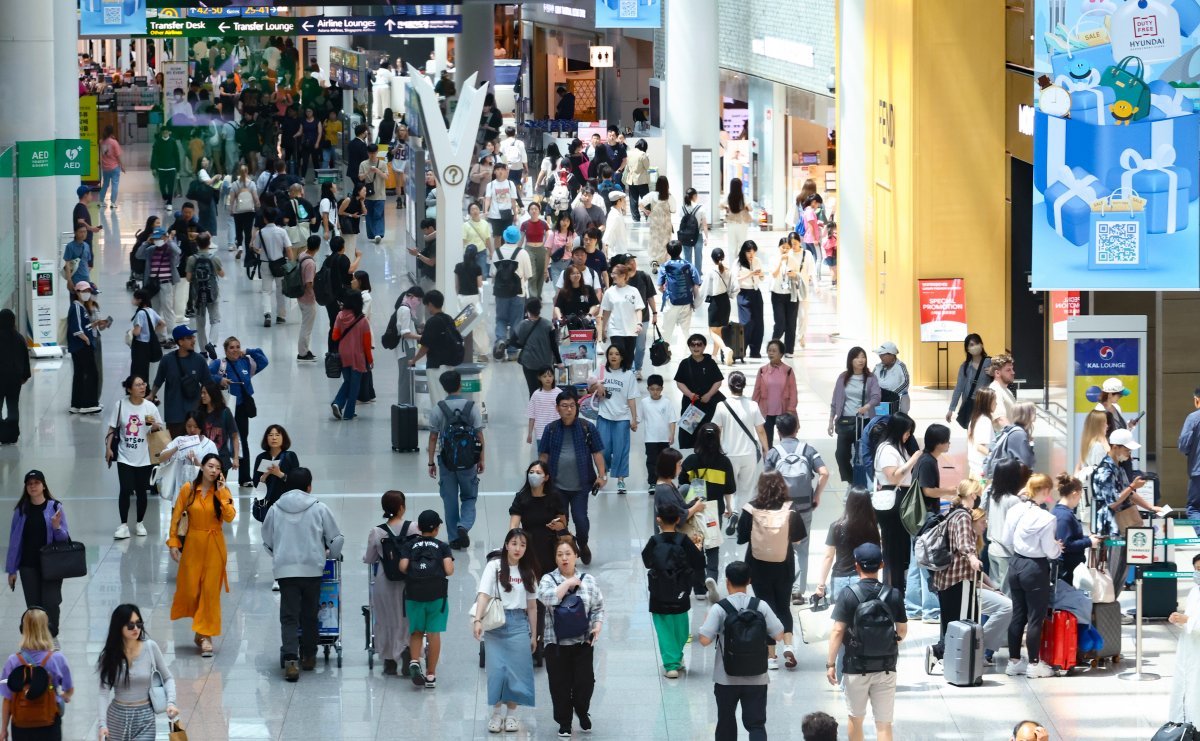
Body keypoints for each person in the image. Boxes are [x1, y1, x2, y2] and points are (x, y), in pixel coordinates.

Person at [262, 468, 344, 681]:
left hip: (286, 571)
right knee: (309, 613)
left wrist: (279, 555)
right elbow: (336, 539)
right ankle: (308, 655)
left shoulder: (275, 509)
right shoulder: (319, 508)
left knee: (289, 616)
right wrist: (330, 555)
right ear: (309, 486)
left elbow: (268, 541)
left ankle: (291, 659)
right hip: (312, 569)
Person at [697, 560, 787, 741]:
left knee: (726, 722)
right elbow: (779, 635)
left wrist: (706, 622)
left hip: (725, 678)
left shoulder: (719, 608)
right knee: (756, 725)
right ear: (749, 581)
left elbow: (705, 640)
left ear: (727, 581)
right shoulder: (760, 606)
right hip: (757, 677)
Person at [827, 543, 907, 741]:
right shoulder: (893, 594)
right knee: (884, 723)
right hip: (886, 667)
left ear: (856, 566)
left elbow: (838, 631)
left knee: (855, 718)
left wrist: (830, 664)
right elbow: (902, 631)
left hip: (855, 666)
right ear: (881, 565)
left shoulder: (848, 594)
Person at [167, 454, 235, 658]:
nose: (213, 470)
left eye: (217, 467)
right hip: (194, 545)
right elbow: (176, 516)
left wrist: (222, 493)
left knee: (210, 592)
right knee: (189, 590)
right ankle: (200, 629)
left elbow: (230, 517)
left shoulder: (222, 491)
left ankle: (206, 636)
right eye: (210, 466)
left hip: (215, 546)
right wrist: (173, 542)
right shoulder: (188, 489)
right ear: (202, 467)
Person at [537, 535, 605, 737]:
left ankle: (582, 710)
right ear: (555, 558)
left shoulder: (589, 580)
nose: (564, 558)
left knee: (586, 682)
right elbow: (546, 598)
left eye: (568, 554)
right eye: (560, 555)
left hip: (583, 642)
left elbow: (598, 607)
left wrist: (597, 625)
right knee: (559, 685)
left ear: (576, 555)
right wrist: (568, 584)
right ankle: (564, 722)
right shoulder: (548, 579)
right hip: (556, 644)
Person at [472, 529, 538, 733]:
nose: (518, 548)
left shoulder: (528, 572)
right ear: (507, 544)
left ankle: (511, 715)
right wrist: (477, 620)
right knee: (497, 672)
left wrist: (534, 634)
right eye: (514, 543)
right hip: (496, 623)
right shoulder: (494, 567)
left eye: (523, 545)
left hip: (519, 624)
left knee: (516, 672)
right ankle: (496, 713)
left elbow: (532, 606)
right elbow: (483, 594)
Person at [737, 472, 804, 669]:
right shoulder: (790, 508)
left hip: (757, 566)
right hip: (784, 564)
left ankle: (771, 656)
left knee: (765, 608)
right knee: (783, 606)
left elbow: (741, 537)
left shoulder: (750, 508)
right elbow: (798, 538)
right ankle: (789, 645)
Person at [998, 473, 1062, 679]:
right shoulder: (1047, 518)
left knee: (1018, 615)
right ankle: (1034, 664)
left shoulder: (1016, 509)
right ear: (1044, 491)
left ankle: (1014, 661)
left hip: (1015, 564)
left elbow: (1006, 538)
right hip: (1035, 568)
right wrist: (1057, 548)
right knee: (1035, 618)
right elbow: (1050, 551)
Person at [765, 413, 828, 604]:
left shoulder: (773, 453)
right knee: (802, 548)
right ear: (797, 428)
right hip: (803, 507)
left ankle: (782, 586)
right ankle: (798, 592)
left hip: (781, 508)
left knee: (782, 547)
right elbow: (824, 473)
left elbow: (767, 481)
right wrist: (816, 495)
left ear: (778, 431)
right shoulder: (808, 450)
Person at [1092, 429, 1164, 599]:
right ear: (1115, 447)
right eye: (1126, 450)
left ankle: (1111, 606)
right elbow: (1113, 501)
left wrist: (1151, 507)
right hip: (1111, 528)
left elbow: (1129, 493)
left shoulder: (1118, 468)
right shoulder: (1105, 470)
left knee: (1121, 568)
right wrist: (1132, 487)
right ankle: (1106, 609)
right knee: (1112, 570)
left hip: (1122, 527)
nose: (1129, 454)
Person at [538, 393, 607, 565]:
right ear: (557, 408)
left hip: (581, 486)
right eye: (564, 406)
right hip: (556, 486)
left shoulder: (587, 427)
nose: (569, 410)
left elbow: (597, 452)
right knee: (561, 522)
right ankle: (568, 549)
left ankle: (582, 544)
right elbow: (544, 455)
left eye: (572, 406)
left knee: (581, 519)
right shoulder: (551, 429)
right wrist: (540, 477)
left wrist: (602, 475)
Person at [96, 604, 177, 741]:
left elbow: (168, 677)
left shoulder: (150, 647)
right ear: (119, 627)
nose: (136, 628)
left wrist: (171, 703)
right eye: (130, 625)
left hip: (145, 717)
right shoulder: (109, 655)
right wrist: (102, 724)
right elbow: (103, 692)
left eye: (138, 623)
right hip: (116, 718)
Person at [642, 505, 705, 678]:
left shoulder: (654, 541)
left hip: (658, 594)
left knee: (664, 630)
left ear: (658, 520)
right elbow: (700, 562)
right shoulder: (684, 540)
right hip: (681, 593)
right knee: (680, 628)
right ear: (678, 520)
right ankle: (676, 659)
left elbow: (647, 562)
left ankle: (671, 665)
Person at [6, 472, 70, 641]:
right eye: (29, 484)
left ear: (43, 486)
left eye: (36, 483)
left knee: (51, 603)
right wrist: (12, 570)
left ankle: (52, 637)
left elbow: (64, 538)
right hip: (28, 566)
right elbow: (14, 542)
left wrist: (56, 527)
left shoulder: (55, 507)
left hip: (52, 566)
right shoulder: (21, 511)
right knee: (34, 608)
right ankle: (38, 641)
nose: (33, 486)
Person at [426, 370, 485, 549]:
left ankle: (453, 538)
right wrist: (481, 459)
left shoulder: (438, 409)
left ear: (444, 387)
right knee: (469, 497)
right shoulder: (471, 407)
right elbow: (479, 435)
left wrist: (431, 462)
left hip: (447, 461)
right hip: (468, 461)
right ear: (460, 385)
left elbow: (433, 438)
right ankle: (463, 526)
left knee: (449, 499)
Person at [927, 480, 983, 663]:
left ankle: (943, 654)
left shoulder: (951, 512)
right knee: (963, 620)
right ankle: (939, 652)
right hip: (959, 577)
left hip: (945, 577)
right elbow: (964, 543)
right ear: (972, 495)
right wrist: (973, 558)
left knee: (949, 620)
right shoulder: (964, 517)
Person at [363, 491, 419, 676]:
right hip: (409, 582)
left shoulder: (377, 531)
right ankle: (408, 654)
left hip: (384, 582)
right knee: (407, 619)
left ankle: (389, 661)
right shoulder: (414, 528)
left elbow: (370, 558)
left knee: (386, 619)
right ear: (402, 507)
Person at [399, 509, 455, 688]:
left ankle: (415, 661)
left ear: (419, 528)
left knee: (416, 631)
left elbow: (403, 567)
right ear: (437, 529)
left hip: (414, 594)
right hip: (436, 595)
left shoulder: (410, 545)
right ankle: (431, 675)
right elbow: (448, 570)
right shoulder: (442, 546)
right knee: (433, 633)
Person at [680, 426, 736, 598]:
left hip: (695, 509)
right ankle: (711, 577)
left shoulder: (690, 460)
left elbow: (683, 485)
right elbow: (729, 489)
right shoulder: (724, 462)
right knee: (712, 547)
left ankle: (699, 589)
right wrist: (729, 508)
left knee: (696, 548)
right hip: (714, 511)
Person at [0, 607, 72, 739]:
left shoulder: (13, 661)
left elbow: (7, 700)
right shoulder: (57, 659)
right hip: (49, 723)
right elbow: (69, 690)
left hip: (21, 725)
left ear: (23, 630)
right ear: (47, 629)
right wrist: (63, 696)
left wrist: (3, 729)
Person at [105, 376, 163, 539]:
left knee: (141, 491)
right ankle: (123, 524)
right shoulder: (121, 405)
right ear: (129, 389)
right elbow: (112, 427)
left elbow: (158, 429)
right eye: (138, 385)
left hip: (144, 457)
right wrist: (108, 448)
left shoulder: (150, 407)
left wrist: (155, 427)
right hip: (125, 455)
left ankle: (139, 522)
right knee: (125, 489)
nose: (142, 387)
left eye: (143, 384)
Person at [873, 412, 922, 592]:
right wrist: (913, 459)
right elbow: (893, 477)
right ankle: (893, 588)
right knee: (893, 547)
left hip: (901, 499)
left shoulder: (898, 447)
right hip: (892, 501)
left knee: (901, 546)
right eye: (907, 432)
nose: (908, 435)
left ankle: (898, 586)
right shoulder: (886, 449)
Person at [712, 371, 768, 515]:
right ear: (744, 386)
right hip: (748, 454)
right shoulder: (753, 405)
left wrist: (716, 449)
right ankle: (741, 514)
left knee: (729, 485)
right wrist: (766, 449)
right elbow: (760, 430)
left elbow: (716, 429)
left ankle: (729, 509)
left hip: (728, 453)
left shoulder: (721, 406)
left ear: (729, 386)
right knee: (747, 488)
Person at [815, 487, 880, 604]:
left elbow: (828, 557)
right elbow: (876, 554)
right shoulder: (872, 528)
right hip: (863, 577)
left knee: (840, 619)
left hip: (840, 577)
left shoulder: (836, 526)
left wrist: (821, 585)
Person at [828, 346, 882, 484]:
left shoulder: (871, 378)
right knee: (840, 454)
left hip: (865, 421)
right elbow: (835, 401)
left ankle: (868, 480)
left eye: (863, 356)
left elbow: (876, 397)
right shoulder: (843, 377)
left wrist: (867, 406)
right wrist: (830, 421)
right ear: (850, 360)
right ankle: (852, 480)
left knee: (864, 453)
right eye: (857, 357)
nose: (861, 360)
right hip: (845, 421)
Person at [149, 325, 214, 437]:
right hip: (174, 416)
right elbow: (158, 381)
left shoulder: (199, 360)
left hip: (195, 415)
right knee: (176, 447)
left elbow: (208, 384)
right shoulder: (167, 360)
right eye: (189, 338)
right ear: (180, 342)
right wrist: (151, 395)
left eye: (193, 337)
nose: (193, 340)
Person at [408, 290, 462, 408]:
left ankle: (441, 424)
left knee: (438, 398)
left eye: (427, 305)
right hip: (450, 364)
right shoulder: (449, 319)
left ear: (431, 304)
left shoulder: (432, 322)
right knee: (449, 397)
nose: (427, 309)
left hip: (436, 366)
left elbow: (425, 346)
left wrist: (414, 360)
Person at [675, 334, 726, 450]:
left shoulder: (710, 362)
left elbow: (718, 381)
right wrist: (689, 394)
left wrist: (709, 394)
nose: (696, 347)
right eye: (693, 344)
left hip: (708, 405)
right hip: (692, 406)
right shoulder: (684, 363)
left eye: (699, 344)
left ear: (704, 347)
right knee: (688, 434)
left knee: (709, 434)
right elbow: (679, 382)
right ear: (689, 346)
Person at [329, 291, 373, 421]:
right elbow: (366, 343)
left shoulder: (340, 316)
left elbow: (335, 336)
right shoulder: (363, 320)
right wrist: (370, 359)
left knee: (347, 381)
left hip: (343, 354)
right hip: (357, 356)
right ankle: (348, 413)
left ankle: (337, 403)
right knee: (355, 385)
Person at [492, 226, 533, 359]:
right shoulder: (522, 253)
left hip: (500, 293)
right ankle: (512, 352)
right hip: (518, 293)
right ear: (517, 238)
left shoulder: (496, 252)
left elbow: (493, 273)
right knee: (516, 320)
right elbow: (528, 275)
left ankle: (500, 340)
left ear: (504, 237)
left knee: (501, 319)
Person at [1053, 473, 1101, 586]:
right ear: (1075, 494)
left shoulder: (1060, 512)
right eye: (1080, 497)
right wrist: (1089, 542)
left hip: (1068, 567)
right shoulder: (1064, 516)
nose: (1080, 501)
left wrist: (1087, 538)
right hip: (1067, 569)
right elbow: (1065, 544)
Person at [1169, 553, 1200, 725]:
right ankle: (1188, 725)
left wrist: (1188, 621)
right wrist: (1179, 619)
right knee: (1188, 686)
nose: (1198, 574)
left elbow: (1192, 620)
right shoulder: (1194, 591)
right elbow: (1190, 617)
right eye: (1196, 570)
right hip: (1190, 646)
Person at [597, 264, 644, 370]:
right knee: (618, 354)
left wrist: (639, 323)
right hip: (615, 330)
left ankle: (626, 378)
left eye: (615, 273)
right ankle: (617, 376)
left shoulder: (633, 291)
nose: (612, 276)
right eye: (612, 273)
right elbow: (606, 312)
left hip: (631, 330)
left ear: (623, 275)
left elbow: (638, 309)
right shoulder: (609, 292)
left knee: (629, 357)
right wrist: (603, 330)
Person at [135, 227, 181, 335]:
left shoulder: (170, 249)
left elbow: (178, 251)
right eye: (155, 238)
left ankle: (172, 335)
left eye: (159, 238)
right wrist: (146, 242)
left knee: (168, 309)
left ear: (164, 237)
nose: (156, 240)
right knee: (155, 310)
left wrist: (169, 240)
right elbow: (138, 255)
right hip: (153, 285)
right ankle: (160, 336)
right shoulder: (151, 250)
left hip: (166, 283)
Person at [66, 282, 102, 415]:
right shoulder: (76, 307)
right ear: (77, 292)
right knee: (91, 373)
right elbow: (76, 328)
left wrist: (93, 325)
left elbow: (83, 325)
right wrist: (86, 339)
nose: (86, 293)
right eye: (83, 291)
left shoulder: (81, 307)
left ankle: (77, 403)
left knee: (80, 374)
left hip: (80, 345)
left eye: (88, 290)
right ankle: (89, 403)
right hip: (81, 346)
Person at [752, 340, 797, 446]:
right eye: (769, 351)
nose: (771, 353)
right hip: (766, 413)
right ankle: (769, 461)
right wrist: (752, 409)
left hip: (784, 412)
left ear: (781, 354)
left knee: (786, 442)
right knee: (767, 443)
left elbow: (793, 392)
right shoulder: (762, 371)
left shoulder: (788, 371)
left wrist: (791, 410)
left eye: (774, 351)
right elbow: (756, 391)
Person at [185, 232, 224, 349]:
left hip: (197, 295)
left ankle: (203, 350)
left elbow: (188, 278)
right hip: (213, 293)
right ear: (209, 244)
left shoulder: (192, 259)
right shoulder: (214, 258)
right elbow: (222, 274)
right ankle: (212, 343)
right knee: (215, 320)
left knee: (200, 323)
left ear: (197, 244)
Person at [514, 300, 561, 397]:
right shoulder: (548, 325)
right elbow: (554, 345)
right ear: (540, 309)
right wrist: (559, 361)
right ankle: (546, 410)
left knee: (533, 391)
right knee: (548, 390)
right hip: (545, 363)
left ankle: (534, 410)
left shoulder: (523, 325)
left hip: (529, 362)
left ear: (527, 310)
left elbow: (513, 342)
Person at [640, 375, 676, 495]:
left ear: (662, 389)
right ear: (648, 388)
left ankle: (665, 482)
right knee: (651, 461)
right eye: (652, 389)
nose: (655, 392)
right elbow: (639, 418)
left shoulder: (666, 402)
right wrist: (633, 423)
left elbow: (672, 420)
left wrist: (672, 434)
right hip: (650, 439)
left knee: (665, 461)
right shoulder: (644, 403)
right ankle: (653, 483)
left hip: (664, 438)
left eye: (658, 389)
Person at [702, 248, 739, 364]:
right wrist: (730, 295)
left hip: (715, 302)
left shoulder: (711, 271)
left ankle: (725, 349)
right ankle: (714, 355)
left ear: (712, 259)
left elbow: (704, 289)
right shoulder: (729, 271)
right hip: (725, 301)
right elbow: (737, 288)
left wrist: (695, 302)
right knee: (719, 331)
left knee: (712, 331)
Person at [255, 209, 290, 328]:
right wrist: (291, 263)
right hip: (280, 263)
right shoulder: (282, 232)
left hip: (265, 263)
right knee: (281, 290)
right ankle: (281, 316)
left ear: (265, 219)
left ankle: (267, 314)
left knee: (266, 290)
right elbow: (289, 249)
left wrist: (259, 251)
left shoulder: (260, 233)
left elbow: (255, 248)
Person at [946, 333, 992, 426]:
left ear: (981, 344)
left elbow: (1001, 380)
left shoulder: (990, 362)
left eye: (977, 343)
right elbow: (959, 388)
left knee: (985, 431)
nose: (975, 346)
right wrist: (951, 409)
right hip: (970, 404)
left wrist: (994, 373)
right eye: (971, 345)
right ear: (967, 349)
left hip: (986, 403)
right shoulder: (965, 367)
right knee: (971, 432)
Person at [768, 237, 803, 357]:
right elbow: (773, 274)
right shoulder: (773, 259)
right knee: (780, 323)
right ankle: (773, 347)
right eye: (783, 247)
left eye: (788, 248)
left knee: (791, 324)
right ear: (779, 247)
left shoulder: (793, 260)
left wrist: (794, 274)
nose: (785, 250)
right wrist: (780, 262)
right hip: (777, 294)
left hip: (791, 295)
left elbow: (799, 275)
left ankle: (789, 350)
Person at [0, 310, 31, 444]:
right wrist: (25, 376)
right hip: (14, 380)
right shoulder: (19, 338)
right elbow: (25, 359)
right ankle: (12, 435)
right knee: (13, 406)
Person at [736, 241, 766, 359]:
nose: (751, 254)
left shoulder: (757, 261)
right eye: (748, 251)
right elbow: (735, 279)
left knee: (758, 323)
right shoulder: (738, 262)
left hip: (756, 292)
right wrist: (750, 274)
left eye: (753, 251)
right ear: (744, 251)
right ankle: (741, 349)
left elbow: (762, 278)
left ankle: (755, 351)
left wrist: (761, 275)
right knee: (746, 322)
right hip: (743, 293)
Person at [641, 176, 676, 267]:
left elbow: (640, 204)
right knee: (666, 243)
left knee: (654, 242)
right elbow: (673, 210)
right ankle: (665, 262)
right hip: (666, 225)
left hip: (655, 225)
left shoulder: (652, 195)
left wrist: (646, 211)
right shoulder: (670, 197)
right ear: (667, 185)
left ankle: (654, 260)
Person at [484, 164, 517, 253]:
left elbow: (513, 200)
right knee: (497, 236)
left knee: (507, 235)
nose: (500, 171)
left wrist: (515, 214)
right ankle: (498, 254)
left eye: (502, 169)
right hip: (495, 214)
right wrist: (486, 210)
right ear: (494, 171)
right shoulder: (490, 185)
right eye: (497, 169)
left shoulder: (510, 184)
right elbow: (487, 199)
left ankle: (507, 253)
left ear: (506, 171)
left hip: (507, 213)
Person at [966, 387, 998, 479]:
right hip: (982, 472)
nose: (996, 403)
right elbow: (980, 447)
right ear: (988, 403)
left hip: (974, 469)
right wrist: (996, 457)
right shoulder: (984, 421)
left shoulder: (974, 419)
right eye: (994, 400)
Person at [1181, 387, 1200, 535]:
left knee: (1194, 508)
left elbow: (1183, 445)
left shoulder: (1193, 418)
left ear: (1197, 400)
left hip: (1198, 471)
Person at [360, 147, 389, 243]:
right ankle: (372, 234)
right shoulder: (363, 164)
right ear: (368, 153)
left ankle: (378, 234)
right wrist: (368, 171)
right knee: (369, 215)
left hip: (380, 194)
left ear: (377, 152)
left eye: (374, 153)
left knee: (378, 215)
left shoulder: (383, 164)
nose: (372, 155)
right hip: (368, 195)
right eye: (370, 153)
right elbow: (360, 178)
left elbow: (386, 177)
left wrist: (378, 171)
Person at [872, 342, 910, 413]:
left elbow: (905, 382)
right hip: (881, 401)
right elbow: (871, 381)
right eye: (880, 354)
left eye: (883, 355)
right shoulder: (878, 367)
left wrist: (892, 395)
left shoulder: (900, 366)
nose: (880, 357)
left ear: (892, 355)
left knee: (897, 421)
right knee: (881, 420)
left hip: (898, 401)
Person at [151, 127, 181, 209]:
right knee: (162, 186)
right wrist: (153, 167)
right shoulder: (158, 142)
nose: (165, 133)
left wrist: (178, 168)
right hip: (161, 168)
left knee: (171, 186)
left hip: (171, 168)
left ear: (169, 132)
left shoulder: (173, 142)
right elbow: (154, 155)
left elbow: (176, 155)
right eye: (164, 132)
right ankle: (165, 197)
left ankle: (170, 203)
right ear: (161, 133)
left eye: (166, 132)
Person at [722, 179, 752, 258]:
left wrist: (728, 208)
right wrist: (744, 208)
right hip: (742, 223)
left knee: (732, 246)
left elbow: (721, 205)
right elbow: (750, 208)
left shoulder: (729, 196)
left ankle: (733, 267)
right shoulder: (743, 196)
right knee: (742, 244)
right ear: (740, 186)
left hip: (731, 223)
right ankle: (742, 265)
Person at [623, 139, 651, 222]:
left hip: (631, 180)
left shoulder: (629, 153)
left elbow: (627, 167)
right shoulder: (643, 154)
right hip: (642, 181)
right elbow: (647, 167)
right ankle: (647, 216)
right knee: (646, 199)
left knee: (633, 200)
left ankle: (635, 218)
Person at [98, 125, 125, 209]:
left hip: (105, 167)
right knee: (115, 184)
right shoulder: (114, 142)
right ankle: (113, 202)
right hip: (114, 167)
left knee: (105, 184)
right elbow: (118, 155)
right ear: (112, 132)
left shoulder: (101, 141)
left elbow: (101, 153)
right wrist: (122, 165)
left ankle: (101, 201)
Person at [989, 353, 1018, 426]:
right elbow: (1001, 419)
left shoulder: (1005, 389)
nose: (1013, 372)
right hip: (1004, 436)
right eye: (1008, 370)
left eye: (1012, 369)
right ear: (997, 373)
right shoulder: (995, 391)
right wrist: (1016, 433)